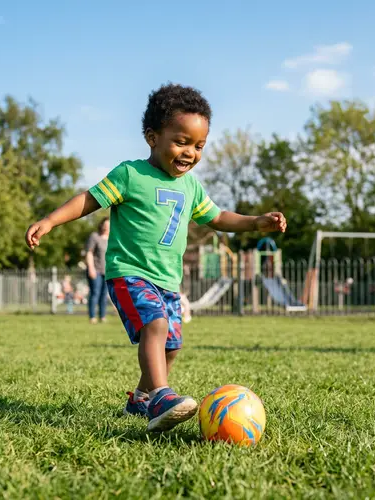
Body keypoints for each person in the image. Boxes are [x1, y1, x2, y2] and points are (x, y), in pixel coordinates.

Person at [25, 83, 287, 433]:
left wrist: (255, 222)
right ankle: (161, 396)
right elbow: (88, 200)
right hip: (129, 273)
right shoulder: (130, 174)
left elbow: (218, 217)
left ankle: (141, 397)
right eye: (181, 141)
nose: (190, 153)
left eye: (198, 146)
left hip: (168, 281)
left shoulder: (191, 187)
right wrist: (50, 220)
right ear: (152, 137)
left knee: (172, 346)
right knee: (156, 326)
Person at [85, 217, 110, 324]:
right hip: (96, 270)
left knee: (104, 295)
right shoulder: (95, 237)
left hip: (108, 271)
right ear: (101, 225)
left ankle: (102, 316)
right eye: (105, 224)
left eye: (108, 225)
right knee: (95, 292)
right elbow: (89, 252)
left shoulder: (112, 238)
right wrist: (91, 268)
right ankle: (92, 316)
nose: (106, 227)